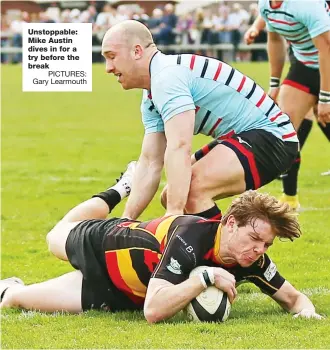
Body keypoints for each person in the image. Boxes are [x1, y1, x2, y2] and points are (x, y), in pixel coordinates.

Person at [0, 163, 323, 322]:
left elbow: (295, 300)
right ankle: (121, 188)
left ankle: (9, 286)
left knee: (14, 299)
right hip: (104, 245)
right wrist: (205, 278)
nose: (259, 250)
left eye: (266, 244)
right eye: (255, 238)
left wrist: (308, 316)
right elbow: (154, 311)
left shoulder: (252, 260)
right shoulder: (190, 236)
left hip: (115, 292)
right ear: (230, 223)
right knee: (55, 235)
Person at [101, 19, 299, 222]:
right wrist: (126, 220)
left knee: (191, 191)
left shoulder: (167, 78)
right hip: (248, 135)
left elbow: (180, 145)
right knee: (172, 195)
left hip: (273, 137)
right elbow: (150, 162)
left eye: (112, 56)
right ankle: (225, 250)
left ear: (136, 51)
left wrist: (173, 216)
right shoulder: (153, 92)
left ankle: (225, 251)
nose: (108, 68)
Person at [244, 13, 330, 208]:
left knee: (316, 115)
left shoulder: (311, 6)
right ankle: (289, 197)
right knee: (287, 127)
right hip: (302, 61)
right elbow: (268, 10)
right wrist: (256, 27)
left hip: (324, 60)